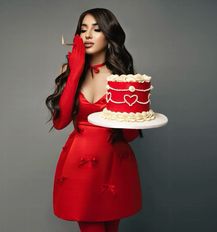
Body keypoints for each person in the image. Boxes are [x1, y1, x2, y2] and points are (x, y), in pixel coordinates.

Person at [45, 8, 143, 232]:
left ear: (109, 35)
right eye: (83, 29)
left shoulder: (123, 75)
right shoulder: (67, 70)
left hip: (115, 164)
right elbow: (60, 123)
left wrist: (133, 107)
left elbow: (130, 135)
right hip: (80, 165)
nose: (87, 35)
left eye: (96, 29)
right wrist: (75, 72)